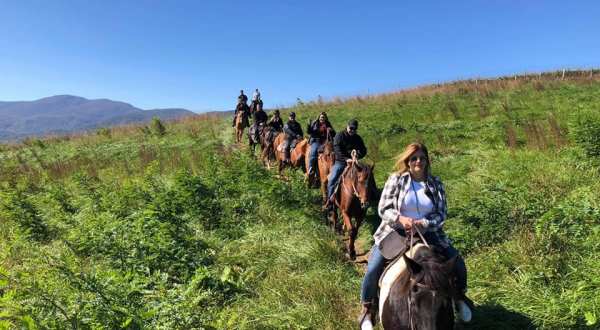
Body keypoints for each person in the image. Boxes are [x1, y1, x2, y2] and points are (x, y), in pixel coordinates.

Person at [357, 142, 471, 327]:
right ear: (407, 161)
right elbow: (383, 208)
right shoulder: (396, 179)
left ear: (427, 160)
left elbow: (441, 213)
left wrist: (424, 222)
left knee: (457, 263)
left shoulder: (435, 183)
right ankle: (368, 308)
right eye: (414, 158)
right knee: (373, 267)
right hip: (397, 232)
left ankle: (458, 297)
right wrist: (400, 218)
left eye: (422, 158)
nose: (418, 161)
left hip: (428, 231)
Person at [326, 119, 367, 206]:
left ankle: (373, 194)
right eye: (351, 128)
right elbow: (337, 149)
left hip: (354, 162)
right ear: (347, 126)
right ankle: (330, 201)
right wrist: (346, 159)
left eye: (354, 129)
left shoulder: (357, 138)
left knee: (367, 174)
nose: (352, 130)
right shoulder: (339, 135)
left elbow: (364, 150)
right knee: (332, 179)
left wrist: (357, 155)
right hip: (341, 162)